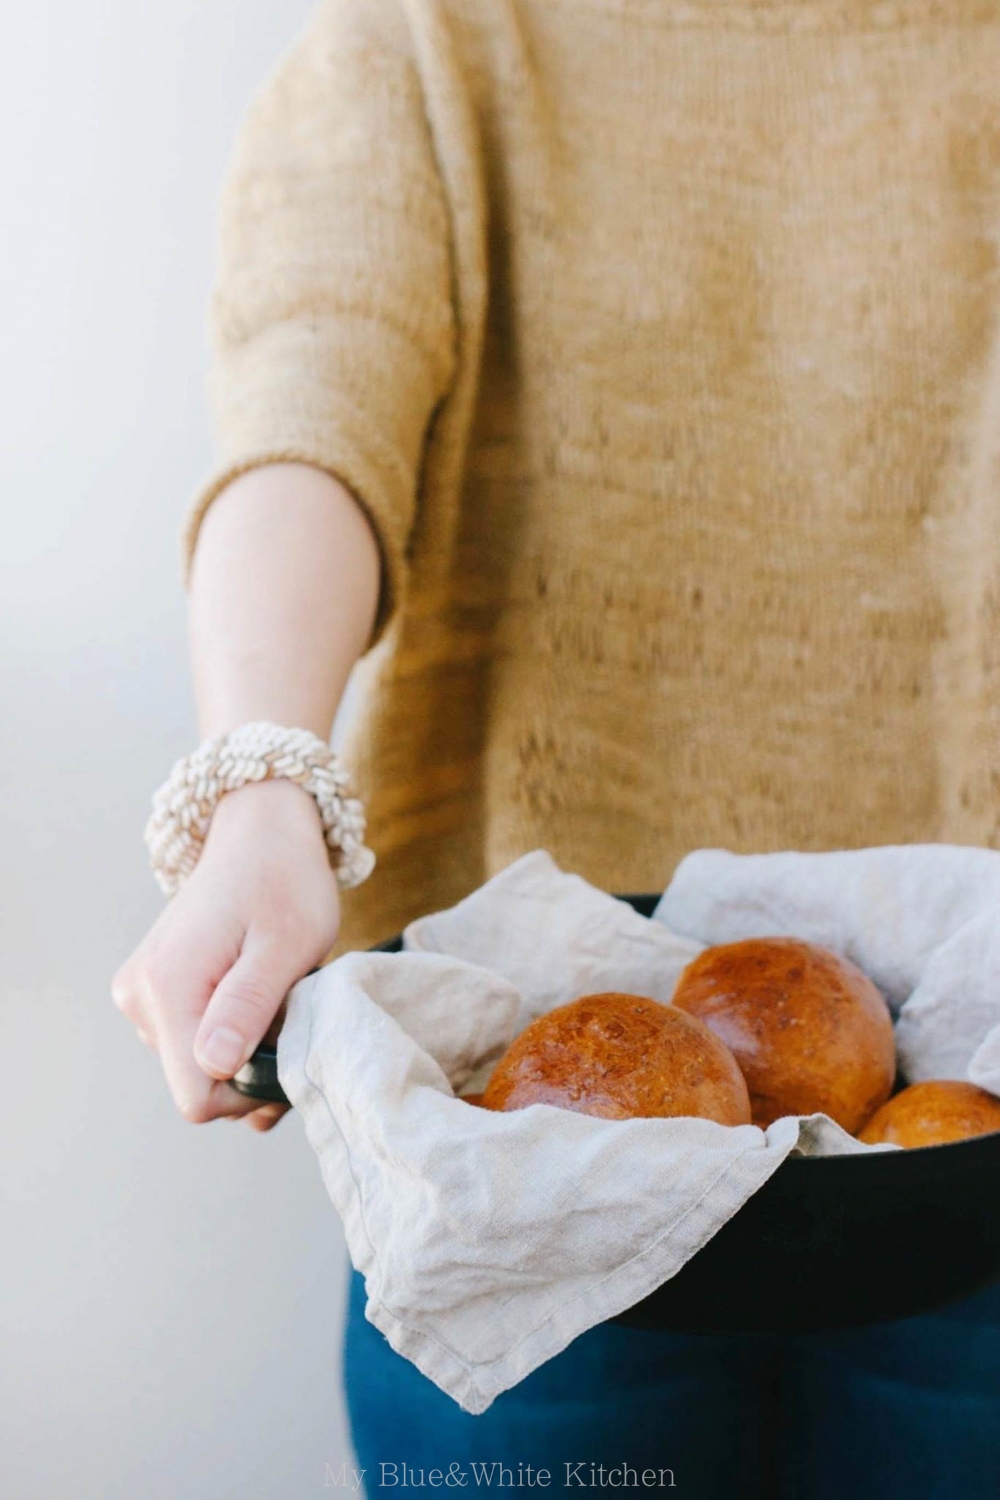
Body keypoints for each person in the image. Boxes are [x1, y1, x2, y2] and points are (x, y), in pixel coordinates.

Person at [112, 0, 1000, 1493]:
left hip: (970, 1174)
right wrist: (258, 781)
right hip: (515, 1162)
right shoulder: (433, 40)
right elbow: (308, 417)